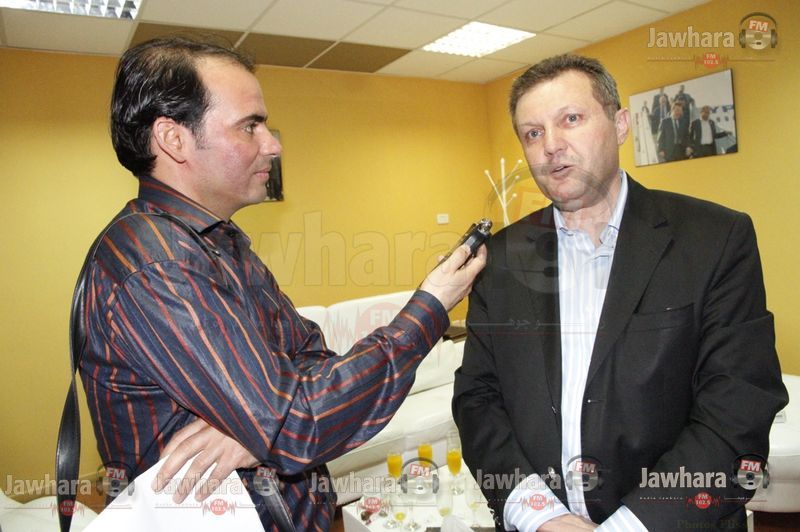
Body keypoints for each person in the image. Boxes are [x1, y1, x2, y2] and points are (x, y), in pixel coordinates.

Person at [75, 37, 485, 530]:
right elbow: (297, 422)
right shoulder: (157, 264)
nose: (273, 144)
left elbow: (311, 359)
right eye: (250, 125)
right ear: (173, 139)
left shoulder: (222, 244)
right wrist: (430, 307)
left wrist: (257, 428)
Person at [452, 54, 787, 531]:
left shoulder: (714, 239)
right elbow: (477, 400)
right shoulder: (501, 259)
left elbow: (738, 409)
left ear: (621, 124)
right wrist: (539, 514)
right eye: (533, 132)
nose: (552, 145)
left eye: (571, 118)